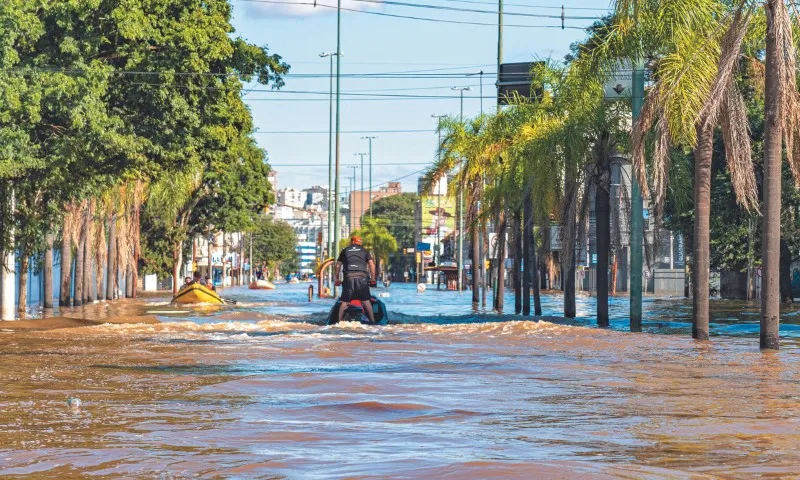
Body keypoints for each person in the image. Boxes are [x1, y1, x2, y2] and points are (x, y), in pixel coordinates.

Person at [335, 235, 377, 323]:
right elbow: (372, 265)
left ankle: (339, 322)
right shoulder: (365, 251)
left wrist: (337, 279)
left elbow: (338, 265)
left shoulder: (345, 250)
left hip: (348, 278)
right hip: (362, 278)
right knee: (366, 301)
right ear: (359, 243)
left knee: (345, 302)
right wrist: (373, 279)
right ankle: (373, 321)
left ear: (352, 242)